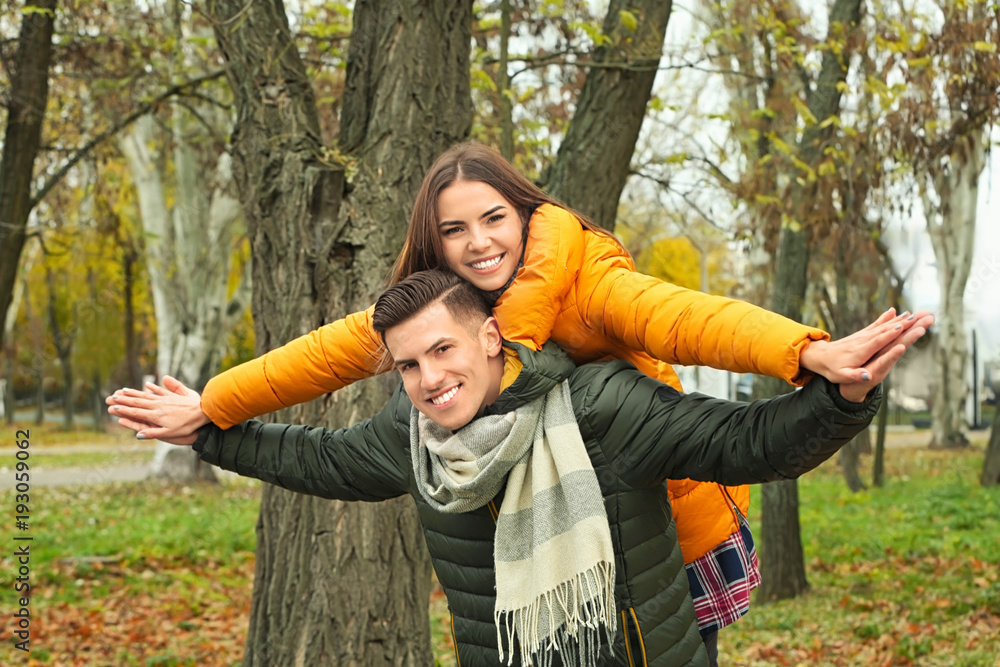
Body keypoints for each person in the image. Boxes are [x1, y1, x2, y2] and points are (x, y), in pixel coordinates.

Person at [107, 142, 914, 661]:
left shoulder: (590, 301)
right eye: (456, 230)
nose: (480, 241)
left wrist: (815, 361)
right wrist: (208, 416)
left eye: (495, 218)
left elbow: (691, 326)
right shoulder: (428, 363)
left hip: (661, 535)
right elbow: (320, 397)